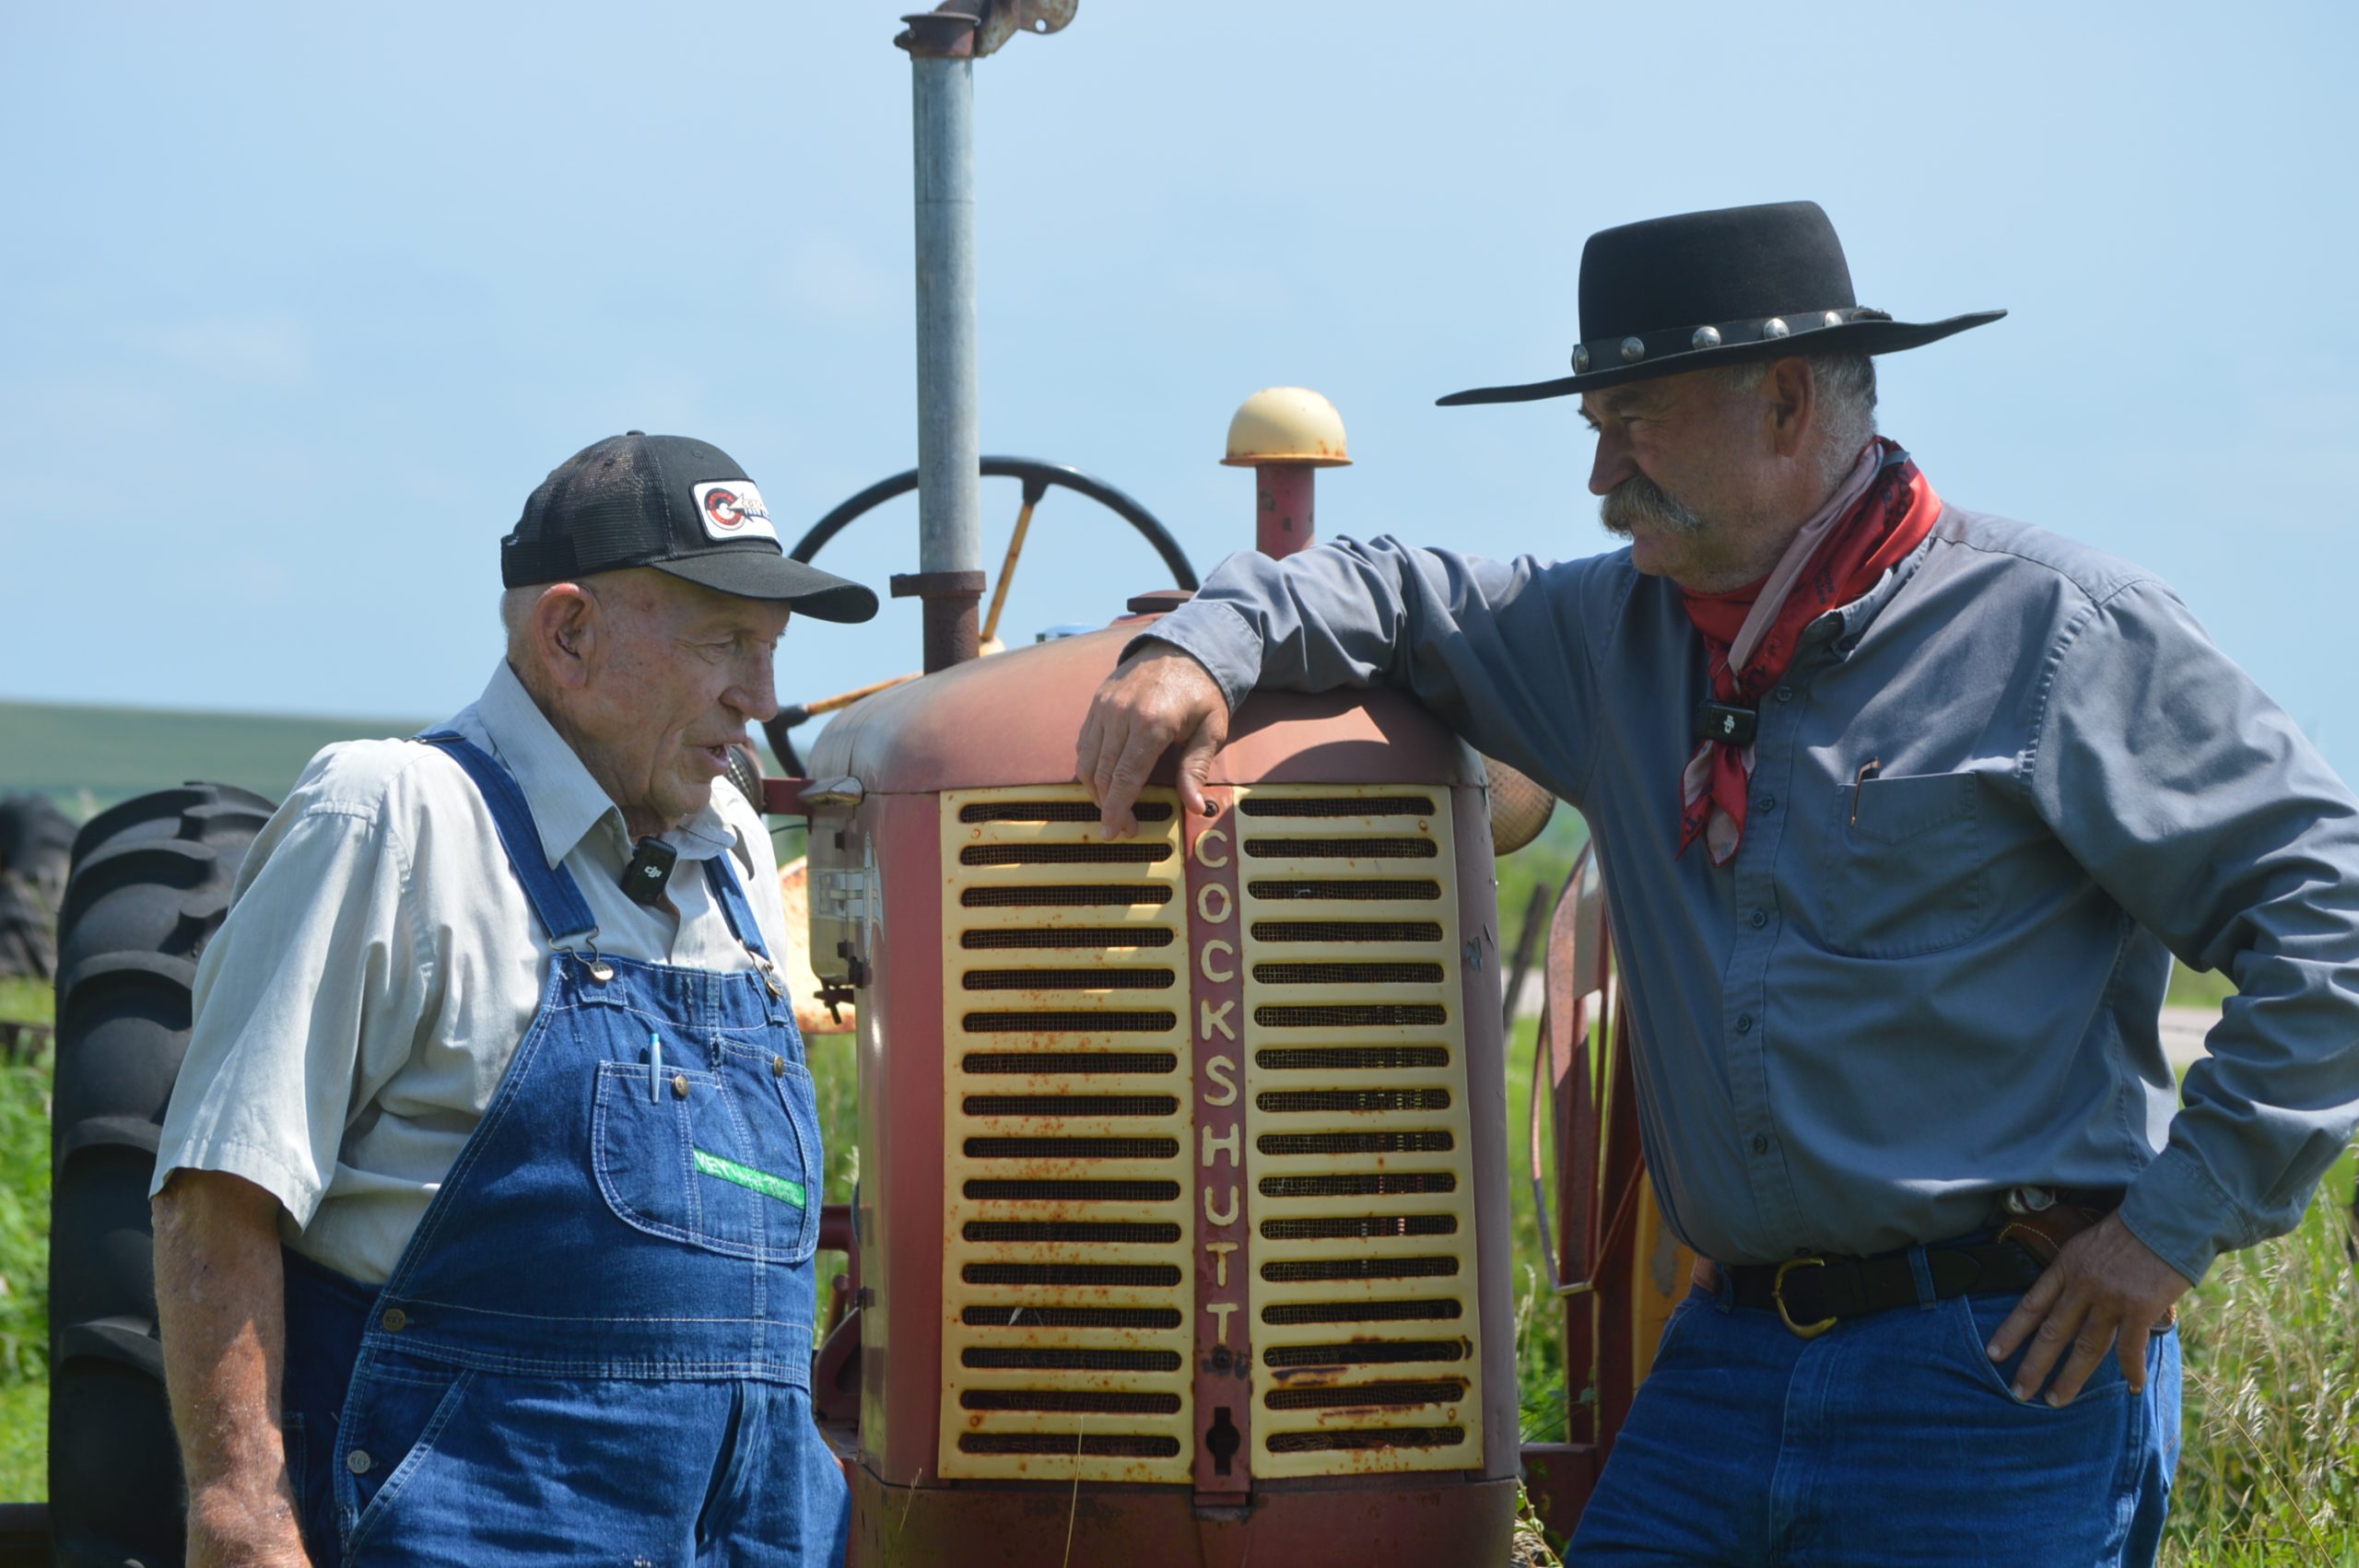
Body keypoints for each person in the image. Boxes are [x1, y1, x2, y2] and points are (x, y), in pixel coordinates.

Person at [1075, 202, 2359, 1564]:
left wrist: (2169, 1230)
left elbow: (2329, 919)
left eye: (1634, 419)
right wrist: (1195, 649)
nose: (1600, 477)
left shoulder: (2058, 633)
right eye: (1593, 428)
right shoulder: (1609, 633)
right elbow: (1388, 587)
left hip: (1993, 1366)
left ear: (1790, 403)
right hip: (1728, 1355)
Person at [149, 433, 876, 1566]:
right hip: (479, 1525)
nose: (761, 696)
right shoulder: (393, 817)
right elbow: (218, 1192)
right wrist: (241, 1517)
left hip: (756, 1530)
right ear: (569, 632)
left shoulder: (728, 846)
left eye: (771, 647)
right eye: (724, 640)